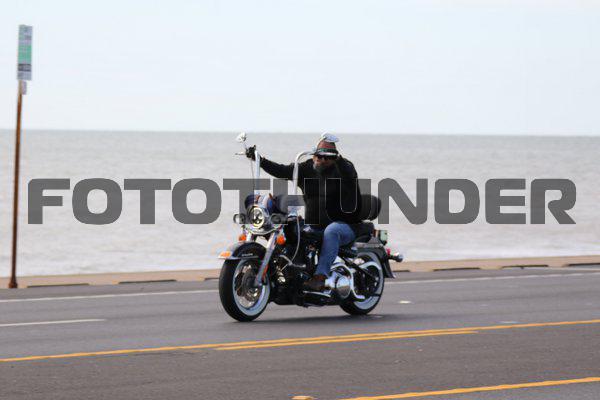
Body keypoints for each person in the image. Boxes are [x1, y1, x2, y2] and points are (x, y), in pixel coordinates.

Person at [246, 134, 362, 292]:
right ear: (313, 154)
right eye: (319, 155)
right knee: (291, 227)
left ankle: (320, 277)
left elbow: (349, 173)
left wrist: (338, 160)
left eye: (327, 156)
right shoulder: (307, 168)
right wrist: (259, 159)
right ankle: (289, 271)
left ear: (335, 156)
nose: (322, 159)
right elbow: (282, 171)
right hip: (315, 224)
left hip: (345, 225)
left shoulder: (343, 168)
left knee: (332, 230)